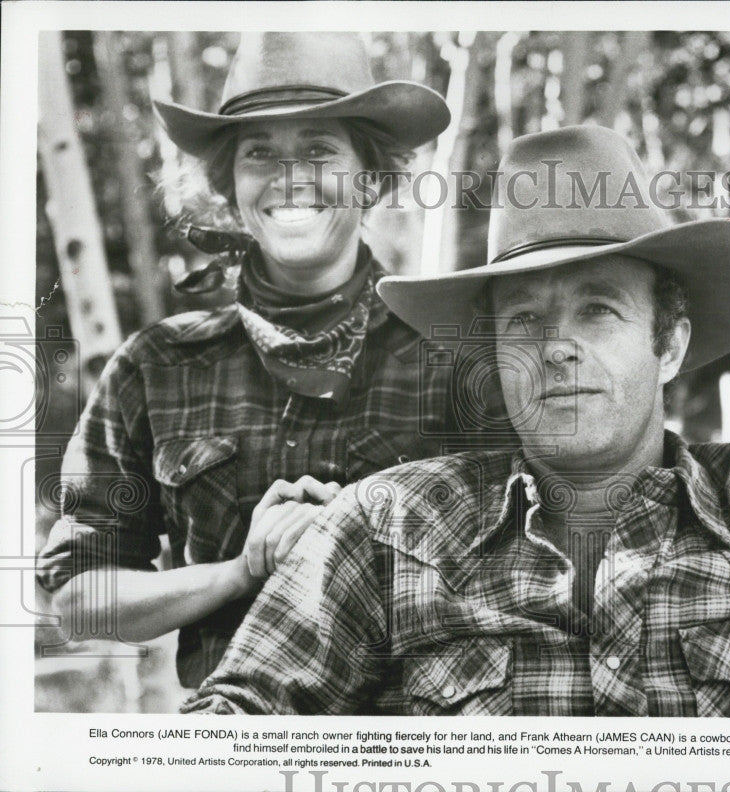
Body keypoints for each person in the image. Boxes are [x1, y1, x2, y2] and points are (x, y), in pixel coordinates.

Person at [183, 126, 730, 716]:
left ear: (670, 343)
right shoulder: (385, 528)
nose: (557, 349)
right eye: (523, 321)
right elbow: (230, 726)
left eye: (598, 310)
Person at [35, 32, 481, 689]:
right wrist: (240, 571)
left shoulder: (459, 365)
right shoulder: (154, 366)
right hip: (230, 751)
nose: (289, 176)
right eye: (260, 152)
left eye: (319, 148)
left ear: (372, 176)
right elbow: (79, 601)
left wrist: (355, 540)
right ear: (231, 183)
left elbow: (532, 576)